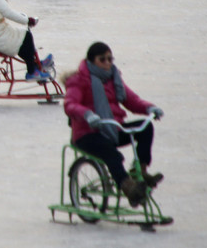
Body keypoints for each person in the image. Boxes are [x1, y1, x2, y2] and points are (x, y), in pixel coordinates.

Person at [63, 42, 164, 207]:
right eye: (102, 59)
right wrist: (87, 115)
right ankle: (128, 187)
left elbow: (131, 100)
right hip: (87, 134)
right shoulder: (78, 80)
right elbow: (70, 104)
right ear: (91, 61)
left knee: (146, 128)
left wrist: (150, 108)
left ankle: (140, 171)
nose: (108, 63)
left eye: (110, 59)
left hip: (112, 129)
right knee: (112, 154)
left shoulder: (113, 78)